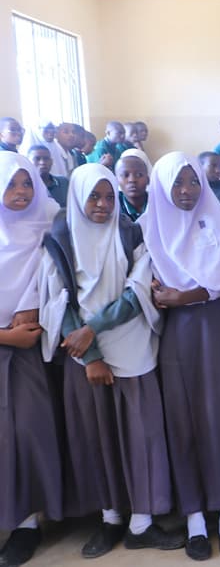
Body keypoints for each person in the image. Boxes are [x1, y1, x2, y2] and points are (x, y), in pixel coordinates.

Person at [41, 163, 184, 558]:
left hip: (131, 347)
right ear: (78, 198)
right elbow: (58, 301)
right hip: (83, 360)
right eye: (93, 197)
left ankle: (142, 523)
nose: (103, 204)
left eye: (108, 196)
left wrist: (93, 329)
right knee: (97, 438)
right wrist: (89, 354)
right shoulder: (60, 238)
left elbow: (137, 291)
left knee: (141, 436)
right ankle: (110, 519)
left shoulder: (130, 232)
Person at [138, 152, 220, 560]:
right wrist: (177, 298)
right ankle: (195, 520)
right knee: (184, 424)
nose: (186, 191)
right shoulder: (147, 230)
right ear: (161, 187)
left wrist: (187, 295)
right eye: (177, 183)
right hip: (179, 337)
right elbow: (148, 290)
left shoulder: (217, 220)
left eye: (192, 182)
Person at [0, 152, 64, 566]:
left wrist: (32, 309)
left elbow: (54, 277)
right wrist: (6, 335)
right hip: (11, 340)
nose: (20, 192)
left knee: (28, 433)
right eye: (10, 184)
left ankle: (26, 523)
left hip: (34, 348)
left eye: (27, 183)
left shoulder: (49, 222)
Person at [116, 149, 151, 222]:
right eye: (125, 175)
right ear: (116, 181)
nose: (132, 180)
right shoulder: (112, 207)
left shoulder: (157, 203)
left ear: (148, 180)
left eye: (139, 175)